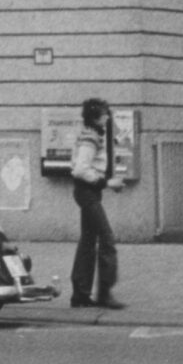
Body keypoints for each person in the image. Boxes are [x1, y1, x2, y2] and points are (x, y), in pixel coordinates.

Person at [68, 97, 125, 310]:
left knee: (88, 242)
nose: (107, 117)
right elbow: (80, 169)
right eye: (104, 114)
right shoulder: (90, 138)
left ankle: (80, 295)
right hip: (87, 192)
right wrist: (106, 182)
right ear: (95, 117)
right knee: (107, 239)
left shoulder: (92, 135)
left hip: (89, 192)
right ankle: (104, 294)